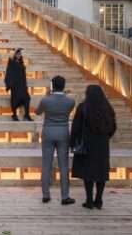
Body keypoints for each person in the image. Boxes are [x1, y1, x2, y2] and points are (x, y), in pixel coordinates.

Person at [70, 85, 117, 210]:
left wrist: (73, 142)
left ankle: (89, 200)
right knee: (101, 172)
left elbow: (76, 127)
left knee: (88, 172)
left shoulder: (83, 107)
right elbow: (113, 127)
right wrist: (106, 137)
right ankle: (99, 200)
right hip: (102, 145)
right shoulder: (107, 108)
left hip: (87, 144)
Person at [36, 75, 76, 205]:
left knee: (46, 164)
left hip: (48, 131)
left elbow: (37, 112)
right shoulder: (70, 101)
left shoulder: (45, 100)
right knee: (63, 165)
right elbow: (68, 112)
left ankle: (45, 195)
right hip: (63, 132)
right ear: (64, 86)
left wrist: (48, 95)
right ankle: (65, 196)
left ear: (52, 85)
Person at [4, 49, 32, 122]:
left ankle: (27, 115)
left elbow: (23, 74)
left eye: (19, 54)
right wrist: (9, 84)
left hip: (22, 84)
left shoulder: (21, 62)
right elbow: (9, 72)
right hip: (15, 85)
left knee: (27, 98)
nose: (19, 55)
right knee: (15, 99)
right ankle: (14, 115)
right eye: (17, 54)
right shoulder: (12, 62)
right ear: (15, 55)